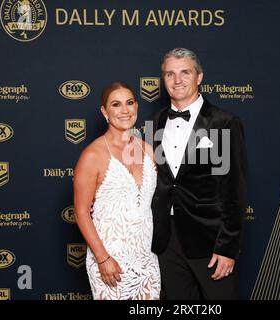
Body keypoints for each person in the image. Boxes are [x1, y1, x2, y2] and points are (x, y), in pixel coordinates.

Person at [151, 48, 247, 299]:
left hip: (209, 238)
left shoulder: (223, 122)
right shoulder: (157, 121)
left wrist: (227, 248)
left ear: (199, 77)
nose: (177, 80)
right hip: (167, 241)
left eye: (185, 72)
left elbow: (234, 190)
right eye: (170, 74)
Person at [73, 82, 160, 300]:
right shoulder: (93, 155)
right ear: (105, 111)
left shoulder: (147, 150)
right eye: (116, 104)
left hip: (146, 259)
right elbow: (81, 212)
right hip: (110, 261)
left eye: (129, 103)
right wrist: (103, 258)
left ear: (137, 107)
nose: (125, 110)